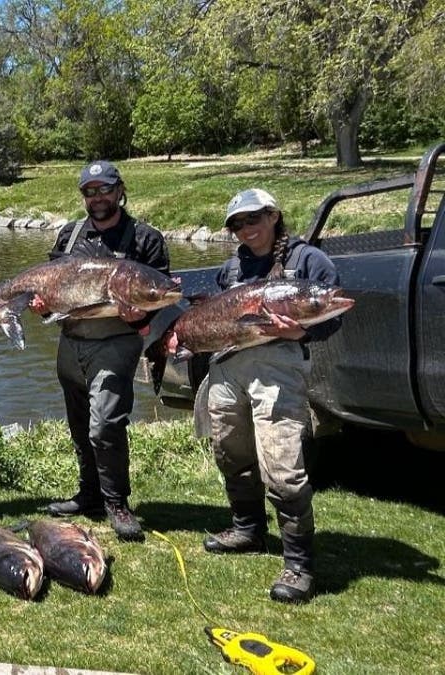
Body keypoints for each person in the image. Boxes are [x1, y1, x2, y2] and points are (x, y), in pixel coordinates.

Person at [169, 188, 340, 603]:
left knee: (281, 463)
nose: (247, 229)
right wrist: (182, 338)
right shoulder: (232, 267)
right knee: (230, 448)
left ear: (274, 216)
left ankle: (298, 564)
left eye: (254, 219)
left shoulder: (307, 261)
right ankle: (248, 528)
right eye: (238, 224)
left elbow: (330, 317)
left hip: (277, 367)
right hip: (228, 368)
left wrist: (300, 331)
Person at [39, 161, 171, 542]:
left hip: (116, 341)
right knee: (80, 424)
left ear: (120, 189)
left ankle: (117, 502)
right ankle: (90, 494)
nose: (97, 198)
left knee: (105, 424)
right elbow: (52, 296)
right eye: (89, 192)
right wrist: (41, 305)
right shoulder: (69, 236)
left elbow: (161, 297)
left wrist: (140, 314)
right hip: (71, 340)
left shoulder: (145, 239)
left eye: (104, 189)